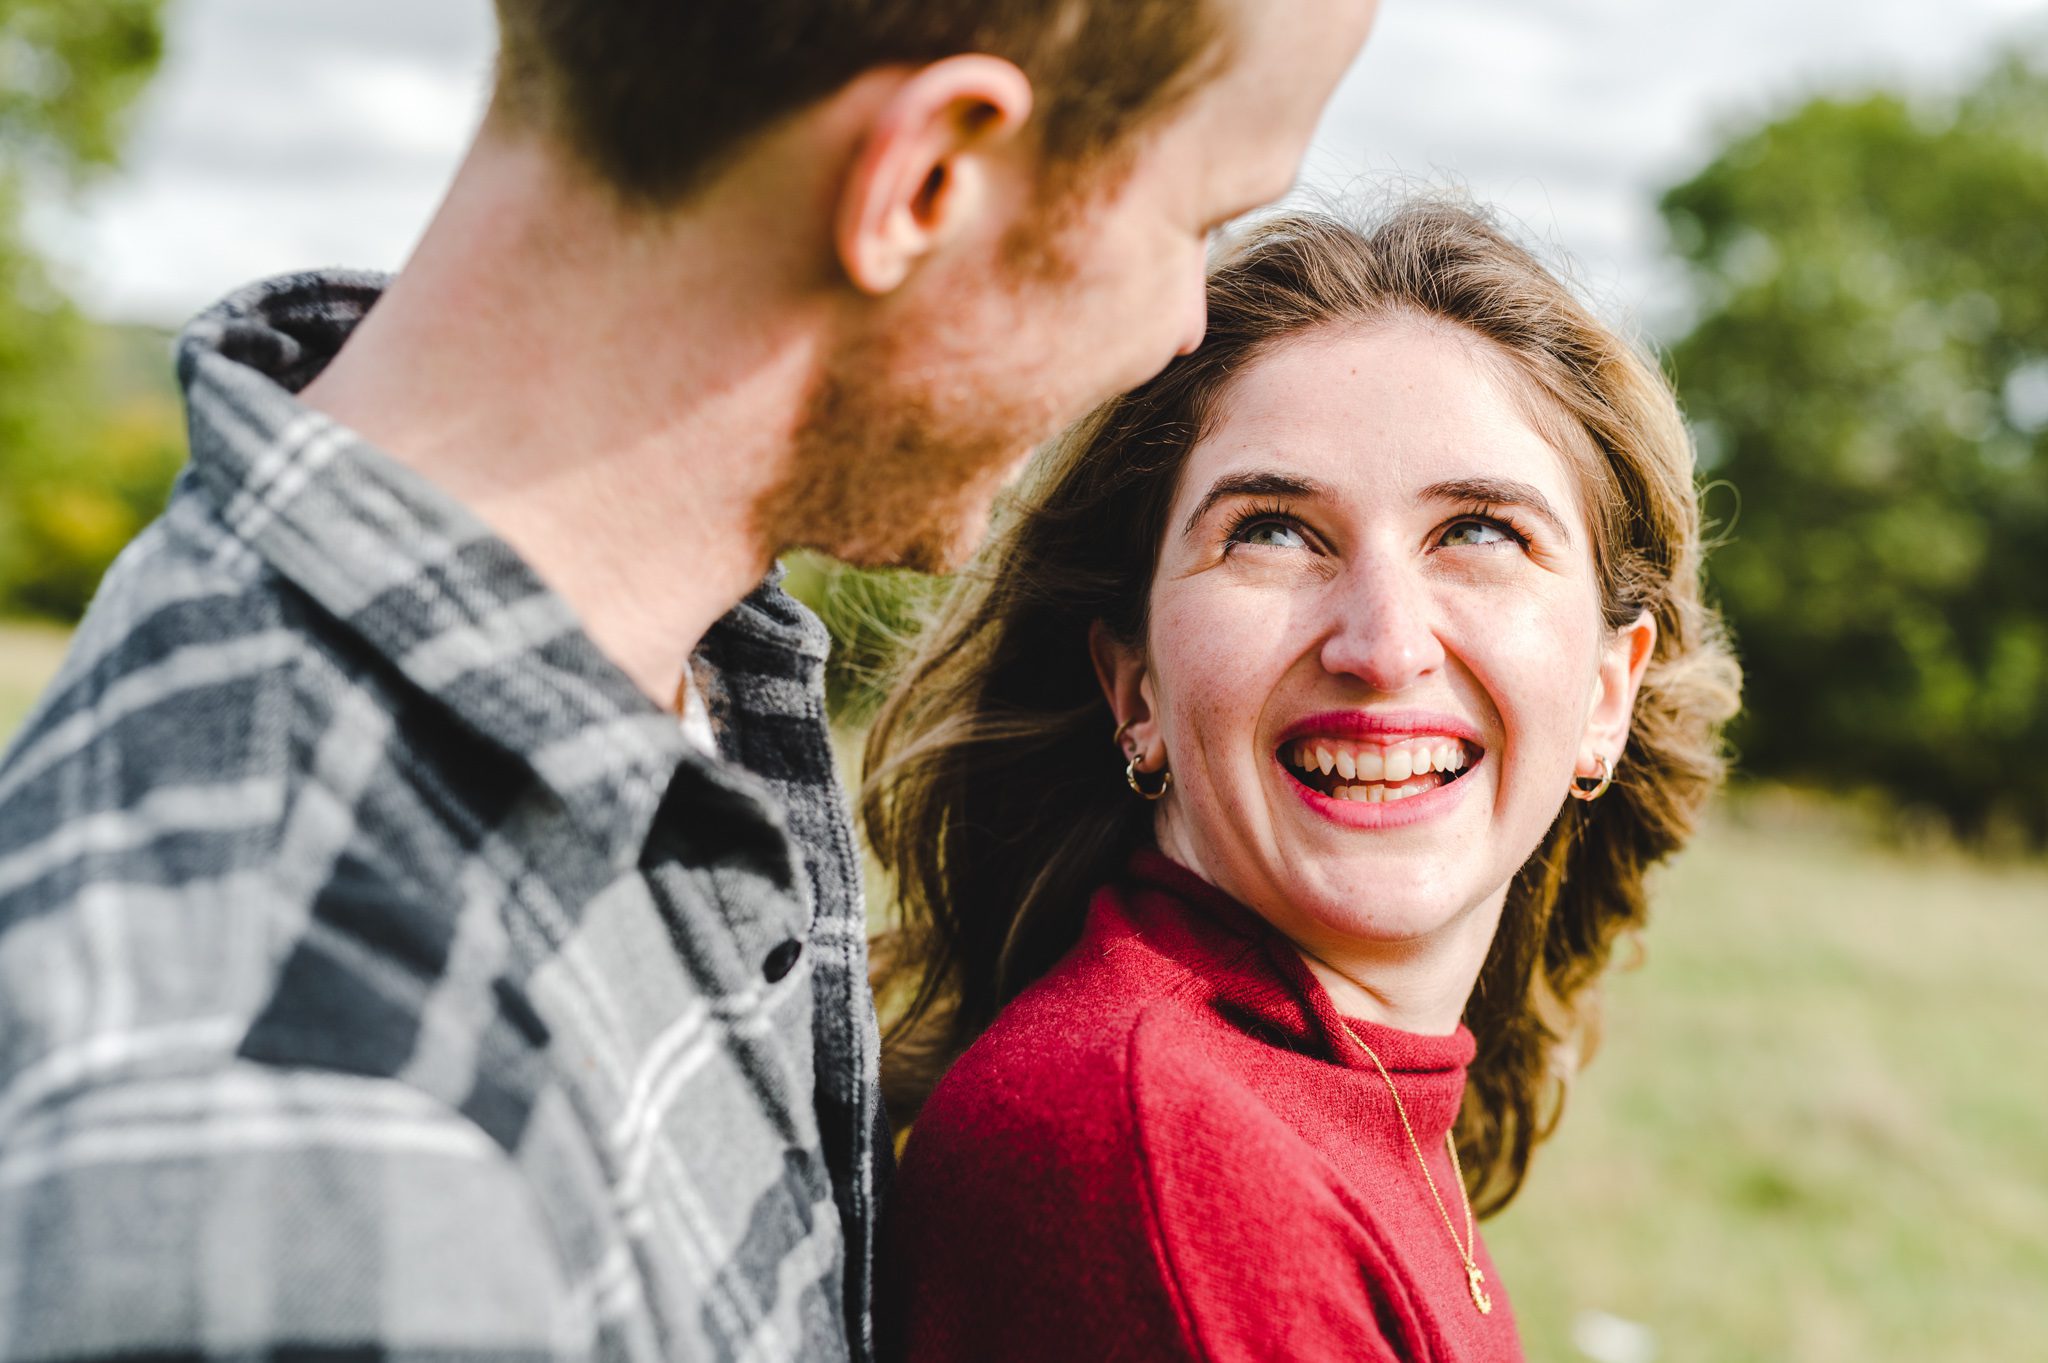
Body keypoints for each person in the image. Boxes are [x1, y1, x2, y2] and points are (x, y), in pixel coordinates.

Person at [0, 2, 1382, 1359]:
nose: (1180, 331)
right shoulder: (314, 1165)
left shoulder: (667, 681)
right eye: (1193, 221)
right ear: (927, 181)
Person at [866, 204, 1743, 1360]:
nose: (1380, 646)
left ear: (1603, 695)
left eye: (1478, 532)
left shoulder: (1335, 1084)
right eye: (1271, 531)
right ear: (1132, 688)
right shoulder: (1163, 1157)